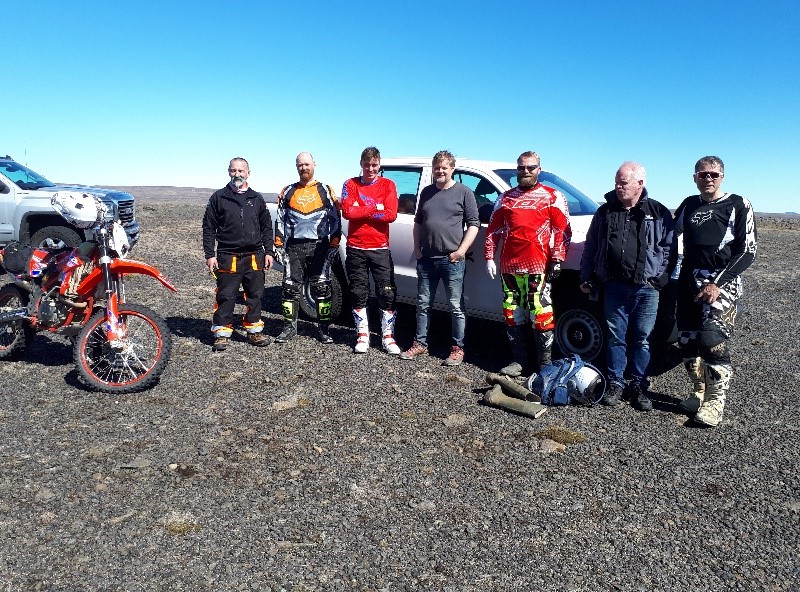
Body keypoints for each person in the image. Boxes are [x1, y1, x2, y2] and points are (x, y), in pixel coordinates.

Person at [580, 162, 674, 411]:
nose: (618, 187)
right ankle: (615, 383)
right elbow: (591, 245)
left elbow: (669, 248)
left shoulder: (658, 212)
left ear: (640, 183)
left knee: (642, 338)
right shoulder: (605, 212)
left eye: (623, 183)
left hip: (647, 288)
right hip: (614, 286)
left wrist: (661, 277)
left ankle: (639, 386)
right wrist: (587, 276)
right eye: (616, 183)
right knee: (615, 338)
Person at [673, 156, 757, 427]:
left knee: (711, 338)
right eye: (702, 174)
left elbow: (748, 250)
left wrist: (717, 283)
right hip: (689, 282)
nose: (708, 179)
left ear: (722, 177)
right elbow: (669, 234)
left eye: (713, 174)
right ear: (694, 178)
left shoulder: (738, 204)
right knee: (686, 340)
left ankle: (715, 401)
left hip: (722, 283)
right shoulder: (689, 204)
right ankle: (699, 391)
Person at [485, 151, 571, 377]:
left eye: (531, 167)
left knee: (541, 313)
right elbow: (493, 230)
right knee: (512, 311)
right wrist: (489, 257)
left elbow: (562, 229)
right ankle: (519, 361)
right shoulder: (505, 198)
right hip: (509, 266)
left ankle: (544, 365)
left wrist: (557, 258)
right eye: (522, 167)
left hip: (538, 266)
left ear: (538, 169)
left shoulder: (552, 196)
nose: (526, 171)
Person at [399, 150, 480, 366]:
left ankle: (457, 348)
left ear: (452, 168)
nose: (440, 171)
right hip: (427, 259)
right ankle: (420, 343)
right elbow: (418, 223)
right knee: (423, 304)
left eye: (444, 167)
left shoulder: (464, 192)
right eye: (437, 168)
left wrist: (461, 251)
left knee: (456, 306)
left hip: (452, 260)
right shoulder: (427, 192)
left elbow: (474, 224)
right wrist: (417, 250)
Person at [202, 157, 274, 352]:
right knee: (226, 295)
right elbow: (209, 228)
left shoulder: (256, 199)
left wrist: (269, 252)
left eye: (241, 171)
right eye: (234, 170)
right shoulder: (219, 197)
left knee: (255, 295)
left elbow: (267, 227)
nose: (237, 174)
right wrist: (210, 254)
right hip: (228, 255)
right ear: (229, 172)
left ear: (248, 173)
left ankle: (254, 331)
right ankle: (222, 333)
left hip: (254, 256)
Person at [273, 152, 341, 344]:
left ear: (314, 164)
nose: (303, 168)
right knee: (289, 288)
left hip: (319, 246)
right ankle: (289, 328)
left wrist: (334, 244)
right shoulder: (287, 191)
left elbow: (336, 219)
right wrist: (278, 244)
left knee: (322, 287)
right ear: (296, 167)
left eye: (307, 164)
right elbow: (280, 219)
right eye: (300, 165)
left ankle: (324, 329)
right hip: (293, 247)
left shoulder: (326, 190)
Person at [340, 147, 400, 354]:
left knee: (387, 291)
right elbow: (348, 212)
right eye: (367, 165)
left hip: (380, 248)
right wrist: (375, 208)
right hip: (356, 247)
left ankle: (387, 336)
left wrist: (361, 209)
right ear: (361, 164)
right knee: (358, 292)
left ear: (379, 165)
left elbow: (391, 215)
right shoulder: (350, 184)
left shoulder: (388, 185)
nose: (371, 169)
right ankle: (362, 335)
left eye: (374, 165)